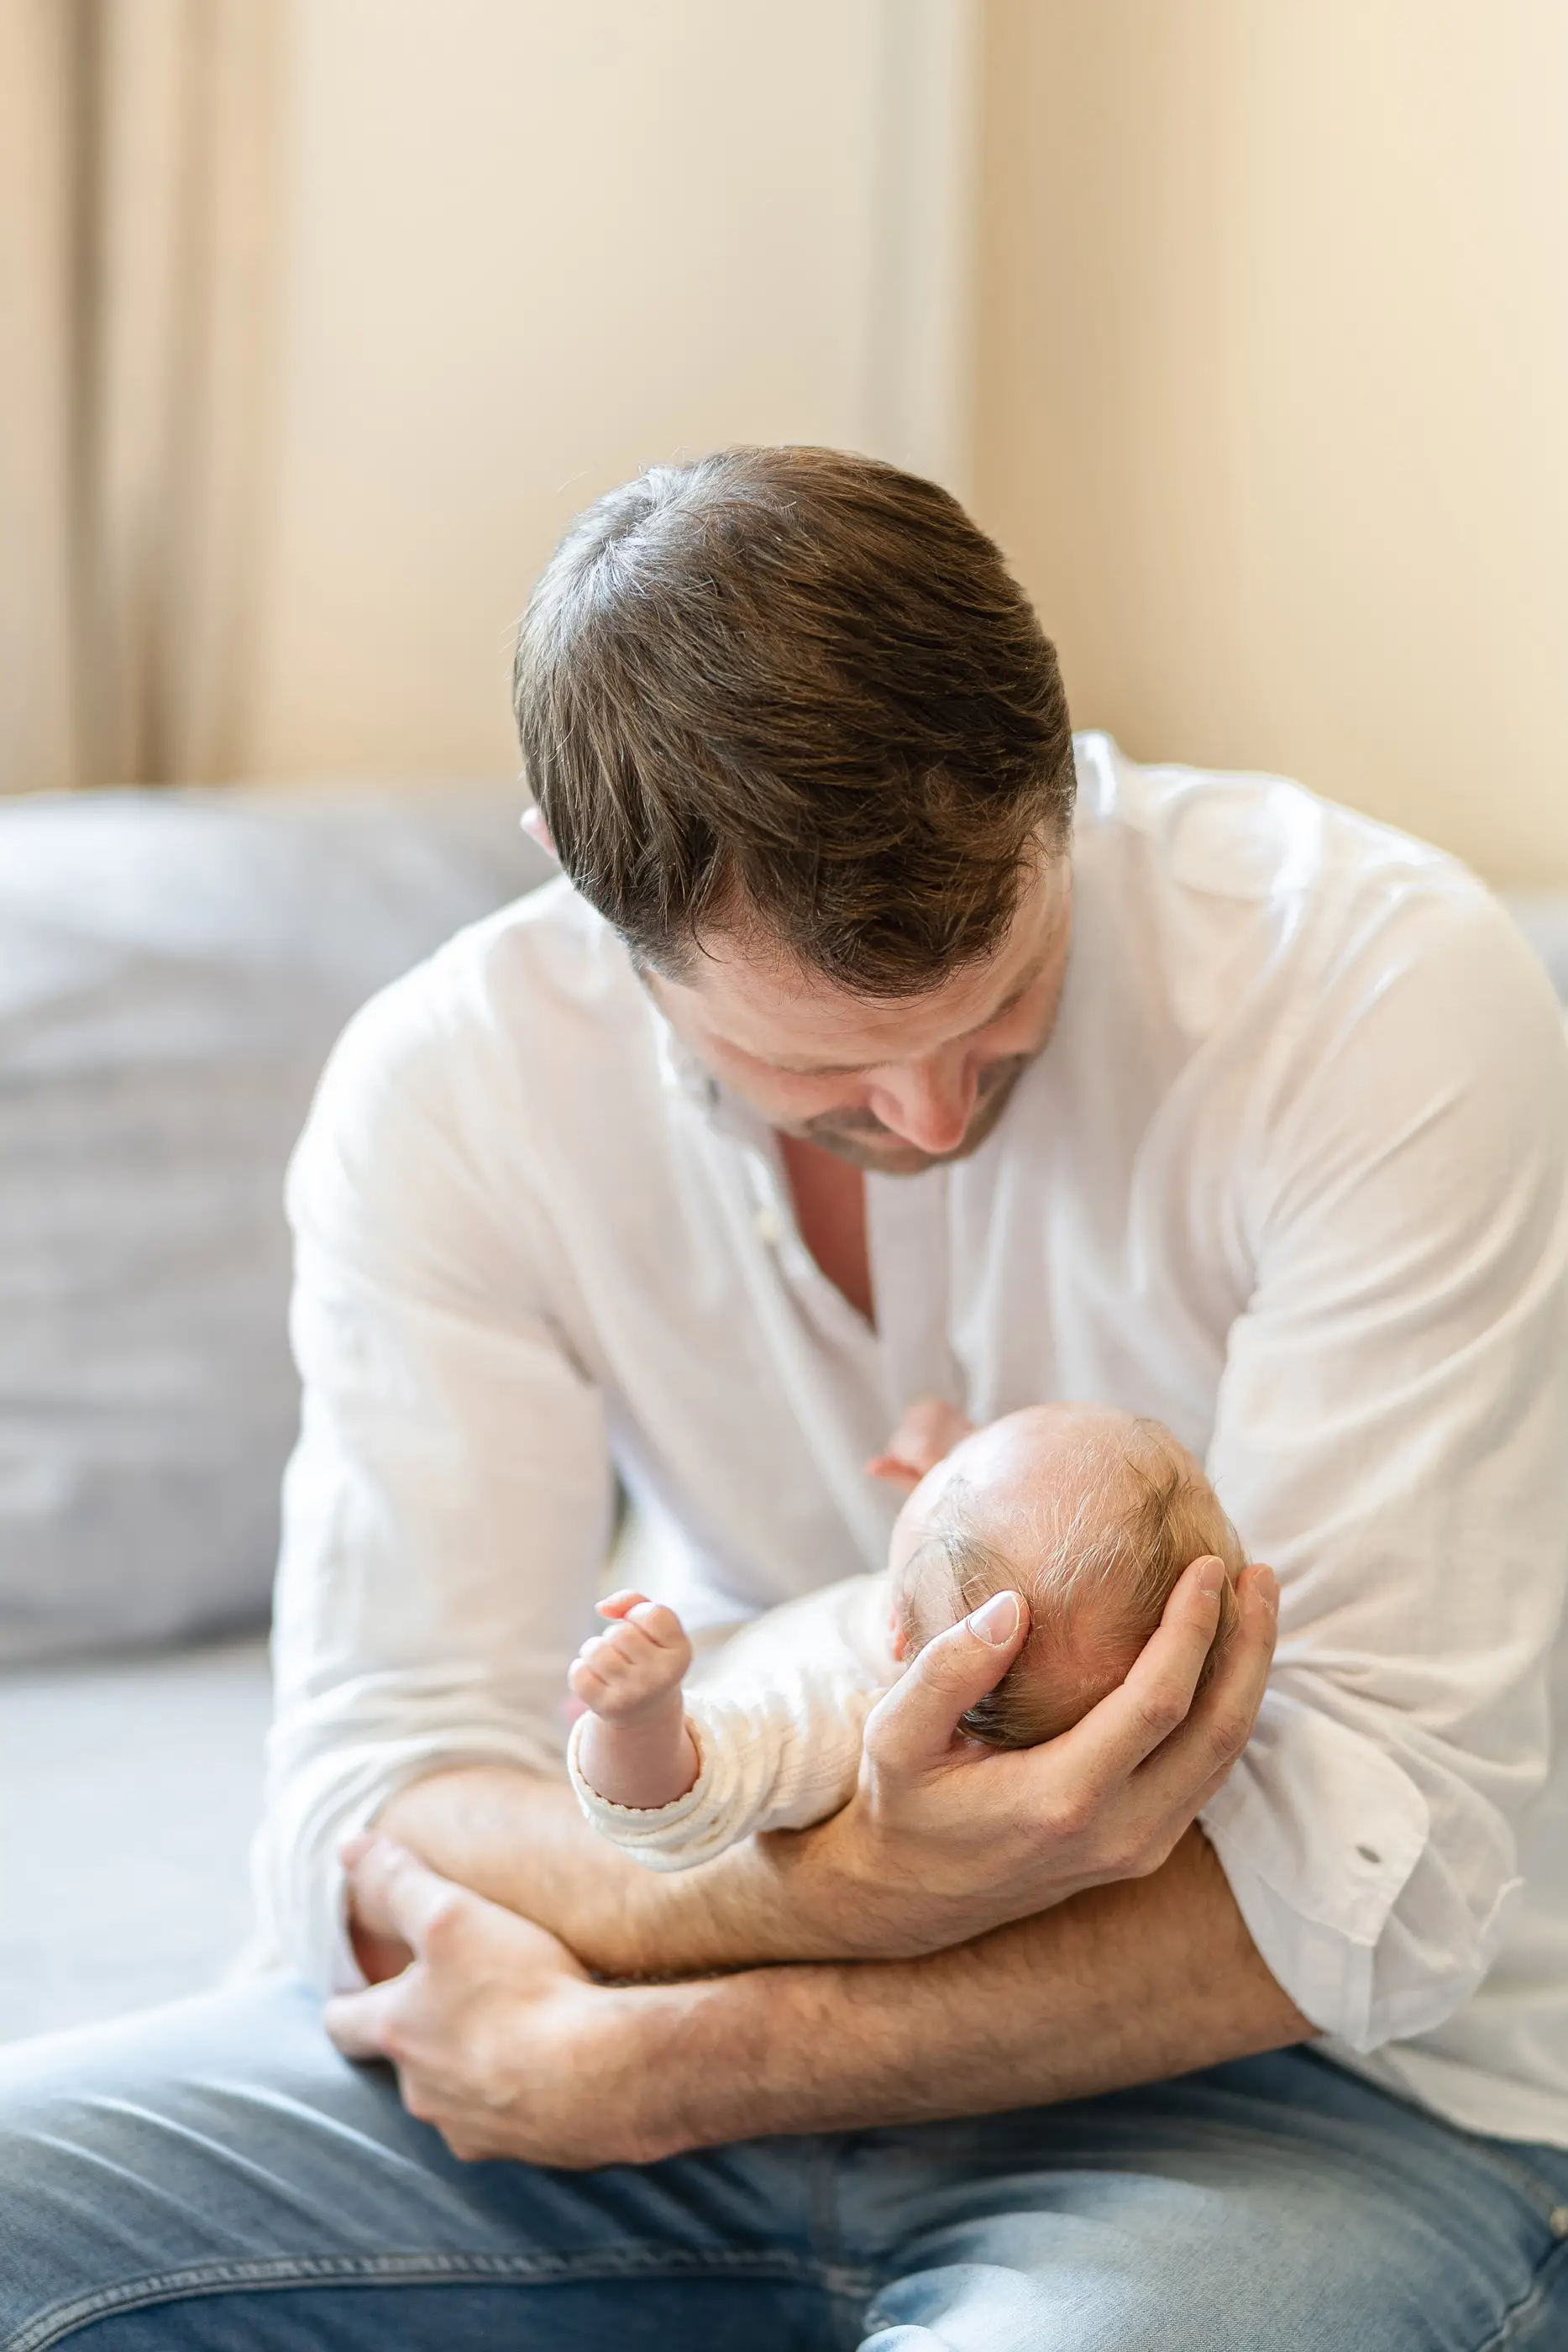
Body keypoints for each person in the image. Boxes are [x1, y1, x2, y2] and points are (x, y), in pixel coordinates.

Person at [3, 445, 1567, 2350]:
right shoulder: (452, 1095)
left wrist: (686, 2056)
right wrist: (853, 1890)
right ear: (589, 896)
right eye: (823, 1070)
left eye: (993, 1010)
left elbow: (1370, 1872)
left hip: (1302, 2106)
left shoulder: (1370, 989)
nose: (925, 1118)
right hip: (588, 2070)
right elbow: (379, 1795)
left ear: (1051, 781)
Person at [567, 1403, 1246, 1864]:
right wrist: (958, 1501)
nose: (957, 1441)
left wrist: (637, 1721)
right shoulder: (968, 1641)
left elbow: (661, 1817)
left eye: (958, 1473)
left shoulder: (825, 1718)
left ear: (904, 1633)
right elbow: (1001, 1572)